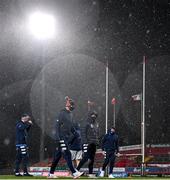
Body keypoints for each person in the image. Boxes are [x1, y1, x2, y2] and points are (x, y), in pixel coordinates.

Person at [48, 97, 84, 179]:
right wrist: (58, 137)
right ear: (69, 105)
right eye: (72, 105)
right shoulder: (62, 113)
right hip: (61, 137)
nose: (73, 107)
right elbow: (57, 125)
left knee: (58, 156)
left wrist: (75, 133)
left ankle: (51, 173)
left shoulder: (70, 114)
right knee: (68, 154)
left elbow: (70, 126)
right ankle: (74, 173)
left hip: (66, 137)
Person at [76, 111, 99, 177]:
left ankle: (90, 173)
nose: (94, 116)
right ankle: (76, 171)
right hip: (87, 143)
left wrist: (97, 141)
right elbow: (83, 133)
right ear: (90, 116)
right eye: (93, 115)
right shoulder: (86, 123)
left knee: (92, 158)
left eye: (95, 115)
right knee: (85, 157)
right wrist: (85, 142)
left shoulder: (96, 124)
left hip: (94, 143)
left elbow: (97, 133)